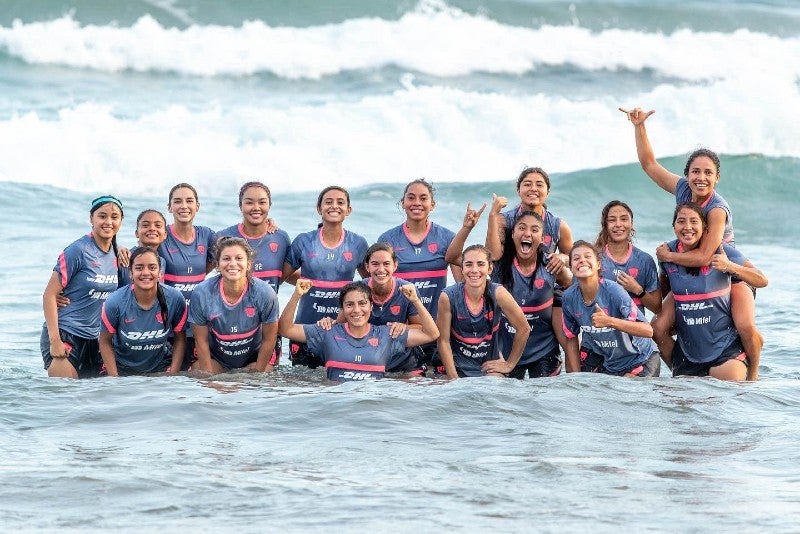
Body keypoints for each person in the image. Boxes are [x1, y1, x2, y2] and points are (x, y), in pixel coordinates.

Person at [620, 107, 762, 377]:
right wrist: (639, 127)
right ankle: (685, 372)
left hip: (725, 273)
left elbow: (705, 256)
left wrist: (668, 257)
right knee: (660, 327)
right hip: (690, 273)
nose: (701, 178)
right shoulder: (683, 189)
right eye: (696, 172)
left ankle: (752, 371)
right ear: (687, 175)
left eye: (708, 173)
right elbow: (650, 165)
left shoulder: (717, 209)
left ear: (717, 178)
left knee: (744, 325)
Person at [659, 204, 767, 380]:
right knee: (657, 328)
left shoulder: (722, 250)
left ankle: (753, 375)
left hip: (724, 351)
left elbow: (762, 280)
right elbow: (664, 284)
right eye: (681, 221)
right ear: (674, 227)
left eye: (694, 221)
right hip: (691, 349)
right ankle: (680, 365)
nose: (687, 227)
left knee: (732, 391)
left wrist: (730, 266)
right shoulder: (666, 254)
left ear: (705, 228)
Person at [481, 168, 574, 356]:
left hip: (543, 287)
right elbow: (492, 255)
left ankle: (576, 375)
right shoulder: (504, 220)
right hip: (508, 284)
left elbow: (574, 258)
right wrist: (492, 215)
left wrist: (562, 258)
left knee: (566, 326)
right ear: (518, 190)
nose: (533, 188)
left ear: (548, 191)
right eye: (527, 184)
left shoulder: (558, 225)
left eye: (539, 185)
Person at [279, 280, 439, 382]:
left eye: (362, 303)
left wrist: (415, 300)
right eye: (349, 305)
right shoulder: (328, 332)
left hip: (372, 407)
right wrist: (296, 295)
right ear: (342, 308)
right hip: (334, 404)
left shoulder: (387, 335)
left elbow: (432, 334)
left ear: (371, 306)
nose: (357, 310)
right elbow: (286, 329)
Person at [377, 179, 461, 370]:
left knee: (438, 388)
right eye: (411, 197)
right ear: (402, 203)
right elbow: (379, 282)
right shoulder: (388, 239)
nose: (417, 203)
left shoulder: (447, 238)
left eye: (423, 198)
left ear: (432, 204)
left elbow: (462, 284)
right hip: (402, 328)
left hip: (438, 326)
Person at [283, 186, 368, 369]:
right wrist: (305, 284)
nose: (334, 206)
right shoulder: (304, 241)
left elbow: (368, 285)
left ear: (349, 210)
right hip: (305, 329)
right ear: (319, 208)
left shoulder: (358, 243)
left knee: (339, 387)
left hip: (345, 329)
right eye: (328, 202)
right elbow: (282, 276)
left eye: (340, 202)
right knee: (303, 386)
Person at [41, 195, 125, 378]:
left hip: (97, 341)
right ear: (91, 219)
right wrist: (55, 341)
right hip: (66, 336)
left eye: (114, 217)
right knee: (65, 400)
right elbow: (49, 295)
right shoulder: (78, 250)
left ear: (121, 221)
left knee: (92, 402)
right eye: (102, 216)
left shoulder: (118, 254)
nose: (108, 222)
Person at [217, 181, 294, 367]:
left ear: (270, 205)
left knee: (261, 386)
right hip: (228, 328)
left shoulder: (280, 238)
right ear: (240, 205)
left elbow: (283, 276)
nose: (256, 208)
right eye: (249, 202)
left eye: (262, 202)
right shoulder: (223, 237)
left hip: (266, 328)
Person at [317, 242, 425, 373]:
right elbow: (340, 326)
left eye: (386, 263)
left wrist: (404, 326)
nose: (381, 269)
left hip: (398, 353)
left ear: (395, 265)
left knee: (415, 383)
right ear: (367, 267)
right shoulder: (356, 289)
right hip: (366, 353)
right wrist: (328, 322)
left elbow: (421, 327)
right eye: (375, 264)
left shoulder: (406, 290)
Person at [491, 208, 573, 378]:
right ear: (512, 234)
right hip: (506, 349)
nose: (527, 233)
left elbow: (571, 285)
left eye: (534, 230)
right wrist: (491, 217)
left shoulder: (550, 264)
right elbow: (457, 259)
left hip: (543, 350)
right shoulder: (498, 265)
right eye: (521, 228)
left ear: (542, 239)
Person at [562, 241, 661, 377]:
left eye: (587, 257)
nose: (582, 260)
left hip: (640, 358)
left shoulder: (613, 290)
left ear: (598, 264)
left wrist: (609, 321)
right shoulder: (568, 297)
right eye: (576, 258)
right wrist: (577, 380)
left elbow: (648, 330)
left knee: (626, 391)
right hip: (608, 360)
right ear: (571, 267)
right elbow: (571, 338)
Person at [437, 243, 530, 379]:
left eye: (480, 264)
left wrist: (509, 365)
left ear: (490, 268)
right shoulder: (448, 297)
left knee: (494, 385)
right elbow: (443, 341)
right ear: (462, 269)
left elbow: (524, 328)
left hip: (489, 368)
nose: (474, 270)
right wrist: (453, 378)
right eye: (469, 264)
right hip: (457, 367)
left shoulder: (498, 293)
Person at [189, 237, 280, 374]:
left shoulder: (265, 293)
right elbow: (201, 341)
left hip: (253, 357)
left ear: (248, 264)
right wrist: (209, 380)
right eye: (226, 259)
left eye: (239, 258)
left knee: (263, 379)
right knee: (197, 373)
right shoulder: (202, 293)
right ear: (218, 265)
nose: (232, 264)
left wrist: (258, 375)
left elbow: (269, 339)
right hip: (217, 358)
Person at [99, 247, 188, 376]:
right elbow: (104, 341)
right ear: (130, 273)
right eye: (139, 268)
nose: (146, 273)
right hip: (122, 367)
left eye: (152, 268)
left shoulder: (175, 298)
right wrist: (114, 379)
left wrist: (173, 374)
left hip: (160, 366)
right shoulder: (115, 301)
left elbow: (180, 338)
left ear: (160, 273)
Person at [159, 183, 217, 370]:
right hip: (169, 321)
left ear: (197, 206)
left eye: (189, 201)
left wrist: (268, 223)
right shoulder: (161, 234)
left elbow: (233, 245)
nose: (184, 206)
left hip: (196, 322)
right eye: (177, 201)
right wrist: (121, 250)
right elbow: (140, 252)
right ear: (169, 207)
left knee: (193, 377)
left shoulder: (206, 235)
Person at [595, 200, 661, 316]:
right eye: (612, 220)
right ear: (604, 225)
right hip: (604, 331)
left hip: (635, 331)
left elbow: (656, 308)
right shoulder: (595, 259)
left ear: (631, 224)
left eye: (624, 219)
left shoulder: (645, 260)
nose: (618, 224)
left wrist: (638, 290)